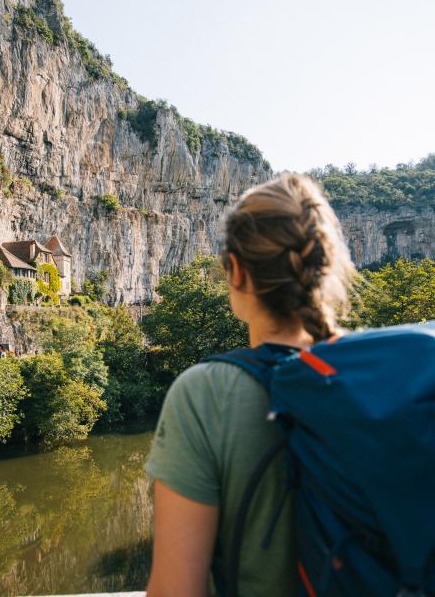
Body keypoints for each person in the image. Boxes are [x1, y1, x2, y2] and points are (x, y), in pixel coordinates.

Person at [145, 173, 356, 597]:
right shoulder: (379, 376)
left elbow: (176, 590)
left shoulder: (205, 394)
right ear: (323, 269)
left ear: (236, 272)